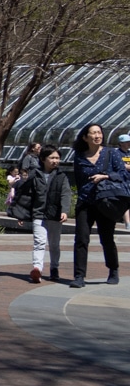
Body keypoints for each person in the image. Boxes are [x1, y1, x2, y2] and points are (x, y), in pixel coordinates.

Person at [70, 123, 127, 288]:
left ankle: (113, 270)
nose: (97, 136)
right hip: (85, 202)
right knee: (81, 239)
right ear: (85, 137)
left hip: (105, 201)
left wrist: (105, 176)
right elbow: (79, 179)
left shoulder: (112, 153)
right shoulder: (79, 156)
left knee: (107, 238)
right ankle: (79, 276)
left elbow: (122, 174)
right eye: (93, 133)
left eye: (99, 133)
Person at [20, 145, 71, 283]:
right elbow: (26, 195)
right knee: (39, 242)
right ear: (43, 159)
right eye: (52, 158)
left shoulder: (62, 176)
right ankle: (37, 268)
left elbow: (66, 194)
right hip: (39, 214)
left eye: (57, 158)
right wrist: (21, 214)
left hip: (55, 215)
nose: (55, 161)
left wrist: (65, 211)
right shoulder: (35, 175)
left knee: (54, 244)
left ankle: (54, 268)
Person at [118, 134, 130, 229]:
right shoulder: (117, 154)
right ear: (121, 143)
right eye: (126, 142)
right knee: (125, 201)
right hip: (122, 180)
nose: (128, 144)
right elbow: (122, 166)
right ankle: (127, 223)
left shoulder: (129, 153)